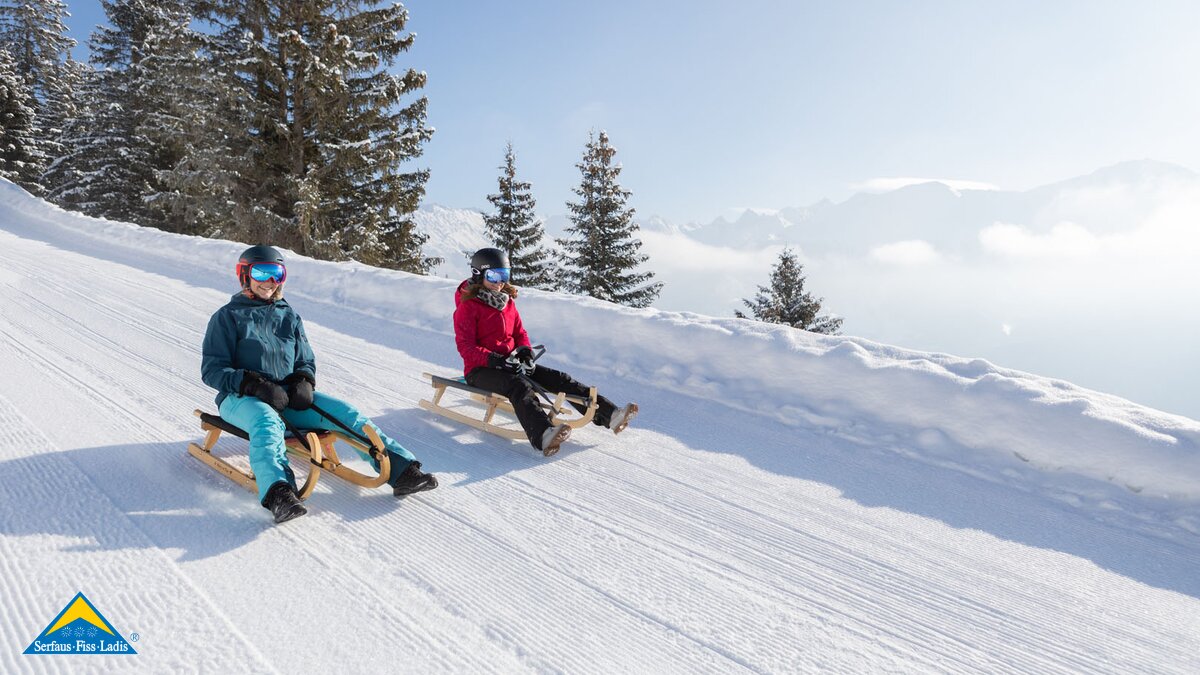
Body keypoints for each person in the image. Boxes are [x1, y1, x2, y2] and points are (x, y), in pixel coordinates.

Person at [202, 245, 437, 523]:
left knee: (344, 412)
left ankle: (402, 470)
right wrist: (252, 384)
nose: (269, 281)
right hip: (240, 399)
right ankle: (279, 492)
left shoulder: (288, 315)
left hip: (285, 397)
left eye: (277, 273)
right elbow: (212, 370)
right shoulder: (227, 317)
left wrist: (303, 380)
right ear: (245, 276)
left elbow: (305, 359)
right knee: (266, 423)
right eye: (261, 273)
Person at [452, 247, 638, 456]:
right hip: (480, 370)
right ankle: (542, 435)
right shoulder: (468, 307)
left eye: (504, 275)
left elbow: (519, 332)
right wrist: (495, 360)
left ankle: (610, 414)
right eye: (494, 275)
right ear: (478, 275)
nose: (500, 282)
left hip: (510, 363)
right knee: (518, 386)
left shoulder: (506, 302)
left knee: (558, 378)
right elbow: (465, 347)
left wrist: (524, 353)